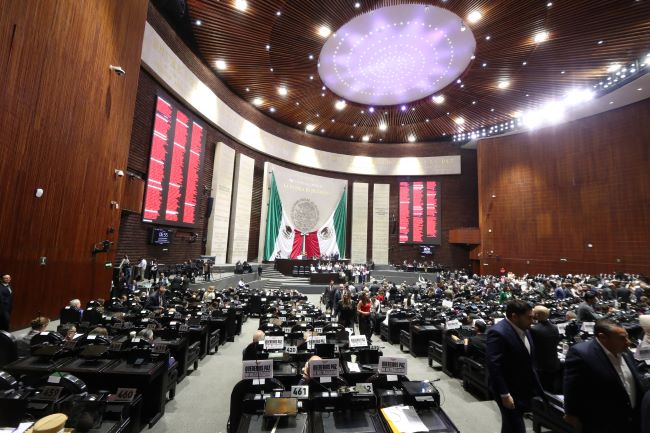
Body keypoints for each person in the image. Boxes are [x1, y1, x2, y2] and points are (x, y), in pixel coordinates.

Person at [564, 319, 642, 433]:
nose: (628, 342)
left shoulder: (625, 351)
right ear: (603, 337)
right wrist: (571, 414)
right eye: (622, 338)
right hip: (603, 422)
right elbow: (572, 387)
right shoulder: (581, 353)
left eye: (627, 337)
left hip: (631, 420)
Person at [486, 299, 542, 433]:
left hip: (522, 387)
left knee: (509, 425)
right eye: (529, 317)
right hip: (508, 389)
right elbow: (494, 365)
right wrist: (504, 394)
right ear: (514, 316)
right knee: (517, 426)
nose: (532, 321)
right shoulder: (498, 332)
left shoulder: (524, 328)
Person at [529, 305, 561, 393]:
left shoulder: (533, 329)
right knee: (550, 389)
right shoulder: (555, 327)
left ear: (537, 315)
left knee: (541, 390)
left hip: (540, 366)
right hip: (553, 363)